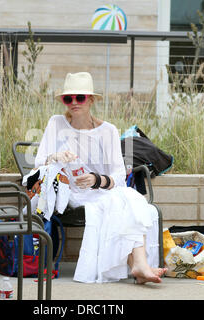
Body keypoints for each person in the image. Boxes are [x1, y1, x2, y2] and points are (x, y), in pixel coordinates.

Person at [35, 72, 167, 284]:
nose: (74, 103)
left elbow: (118, 175)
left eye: (80, 97)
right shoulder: (56, 123)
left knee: (130, 199)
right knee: (127, 200)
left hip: (102, 190)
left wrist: (96, 180)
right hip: (73, 194)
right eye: (68, 98)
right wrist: (57, 156)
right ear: (63, 101)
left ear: (92, 99)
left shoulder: (108, 131)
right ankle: (139, 264)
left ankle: (138, 264)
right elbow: (39, 163)